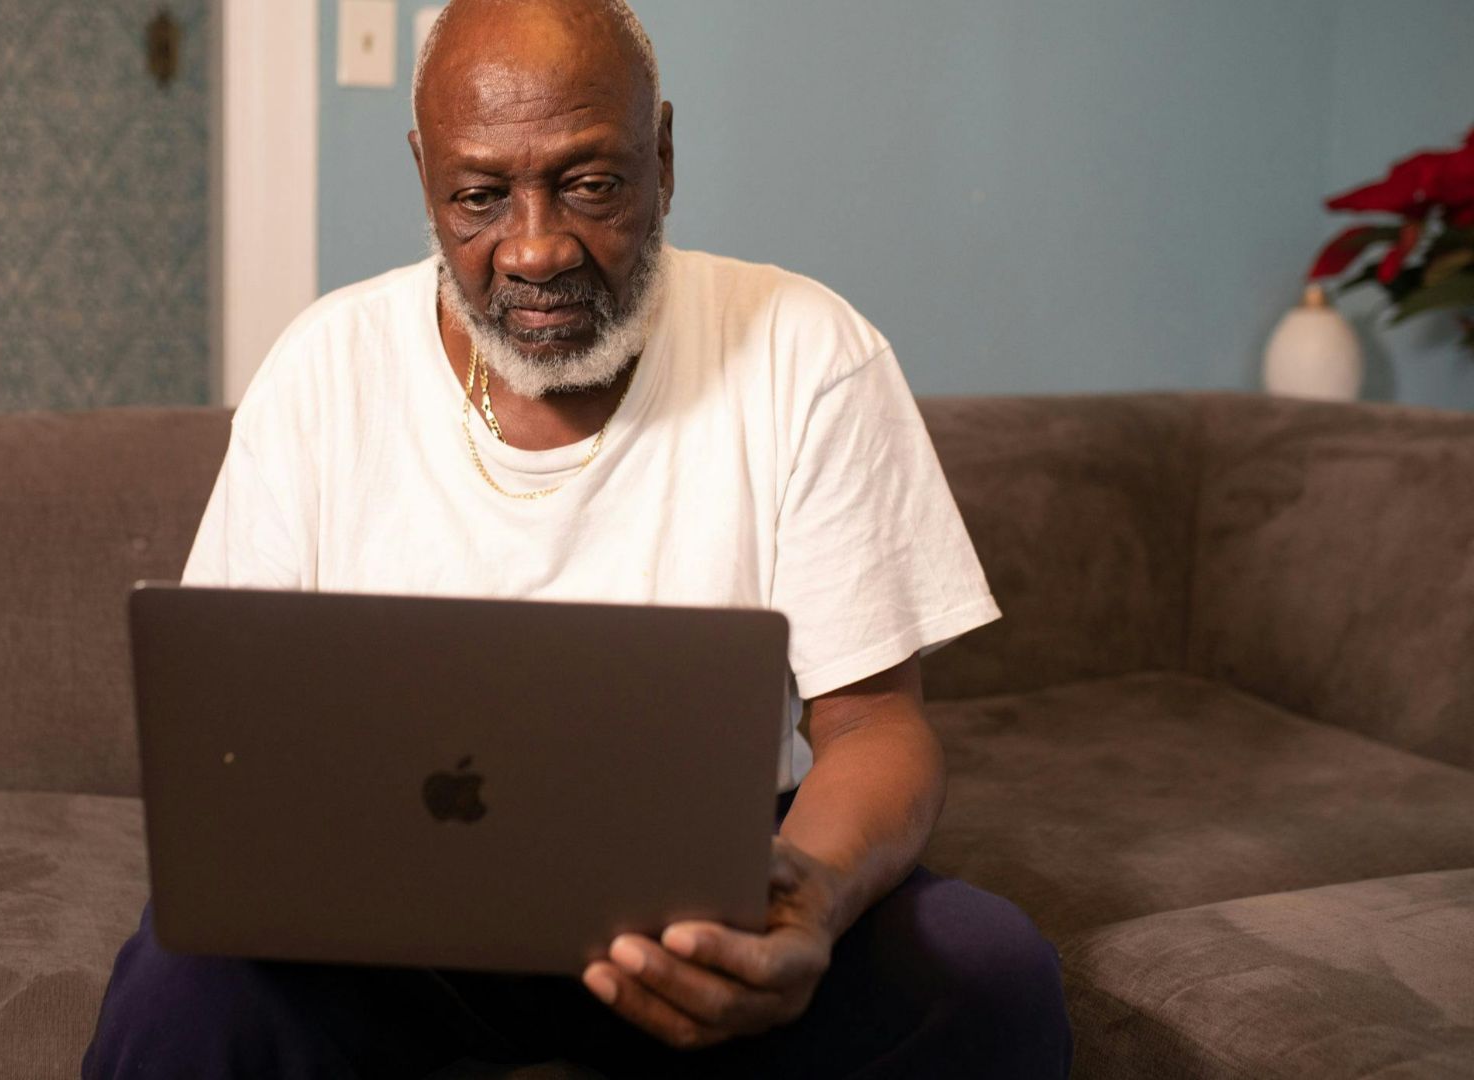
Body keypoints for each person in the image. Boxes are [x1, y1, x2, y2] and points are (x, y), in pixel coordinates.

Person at [84, 0, 1071, 1075]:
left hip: (710, 908)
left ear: (664, 157)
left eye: (591, 184)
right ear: (424, 175)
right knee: (181, 990)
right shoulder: (323, 369)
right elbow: (232, 741)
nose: (535, 246)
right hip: (386, 928)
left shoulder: (809, 353)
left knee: (990, 976)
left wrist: (812, 904)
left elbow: (875, 724)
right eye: (479, 196)